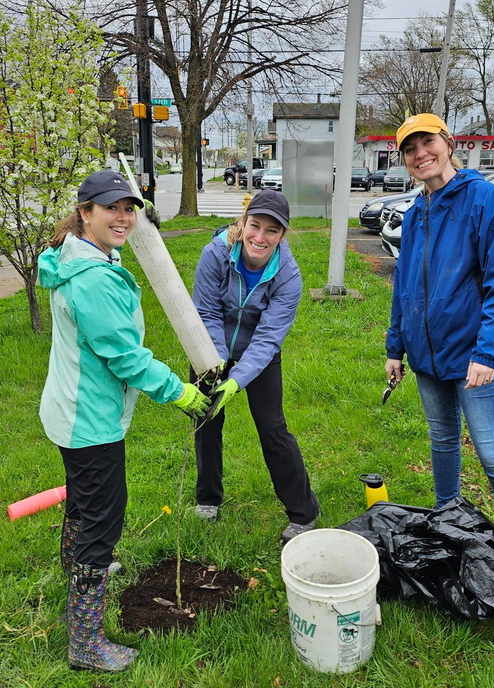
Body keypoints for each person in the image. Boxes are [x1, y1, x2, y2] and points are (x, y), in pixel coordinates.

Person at [38, 170, 210, 672]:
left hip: (70, 408)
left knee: (84, 501)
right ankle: (86, 642)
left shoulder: (82, 257)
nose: (123, 217)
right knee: (102, 519)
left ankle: (76, 568)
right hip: (88, 421)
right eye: (111, 208)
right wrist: (182, 393)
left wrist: (139, 231)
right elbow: (126, 358)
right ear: (85, 211)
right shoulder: (91, 278)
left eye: (129, 208)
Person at [384, 113, 494, 592]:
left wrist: (488, 353)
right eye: (410, 149)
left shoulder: (485, 200)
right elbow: (404, 286)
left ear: (447, 143)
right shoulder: (416, 212)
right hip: (428, 358)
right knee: (442, 440)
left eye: (427, 142)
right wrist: (396, 345)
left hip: (476, 359)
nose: (419, 154)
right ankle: (448, 521)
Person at [190, 189, 320, 543]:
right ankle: (208, 500)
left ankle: (304, 512)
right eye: (255, 226)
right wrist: (216, 365)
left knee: (272, 428)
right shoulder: (216, 253)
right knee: (206, 420)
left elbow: (267, 339)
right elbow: (206, 311)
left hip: (258, 352)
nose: (260, 238)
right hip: (208, 347)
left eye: (272, 231)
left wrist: (238, 380)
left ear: (282, 235)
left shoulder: (288, 276)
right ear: (243, 223)